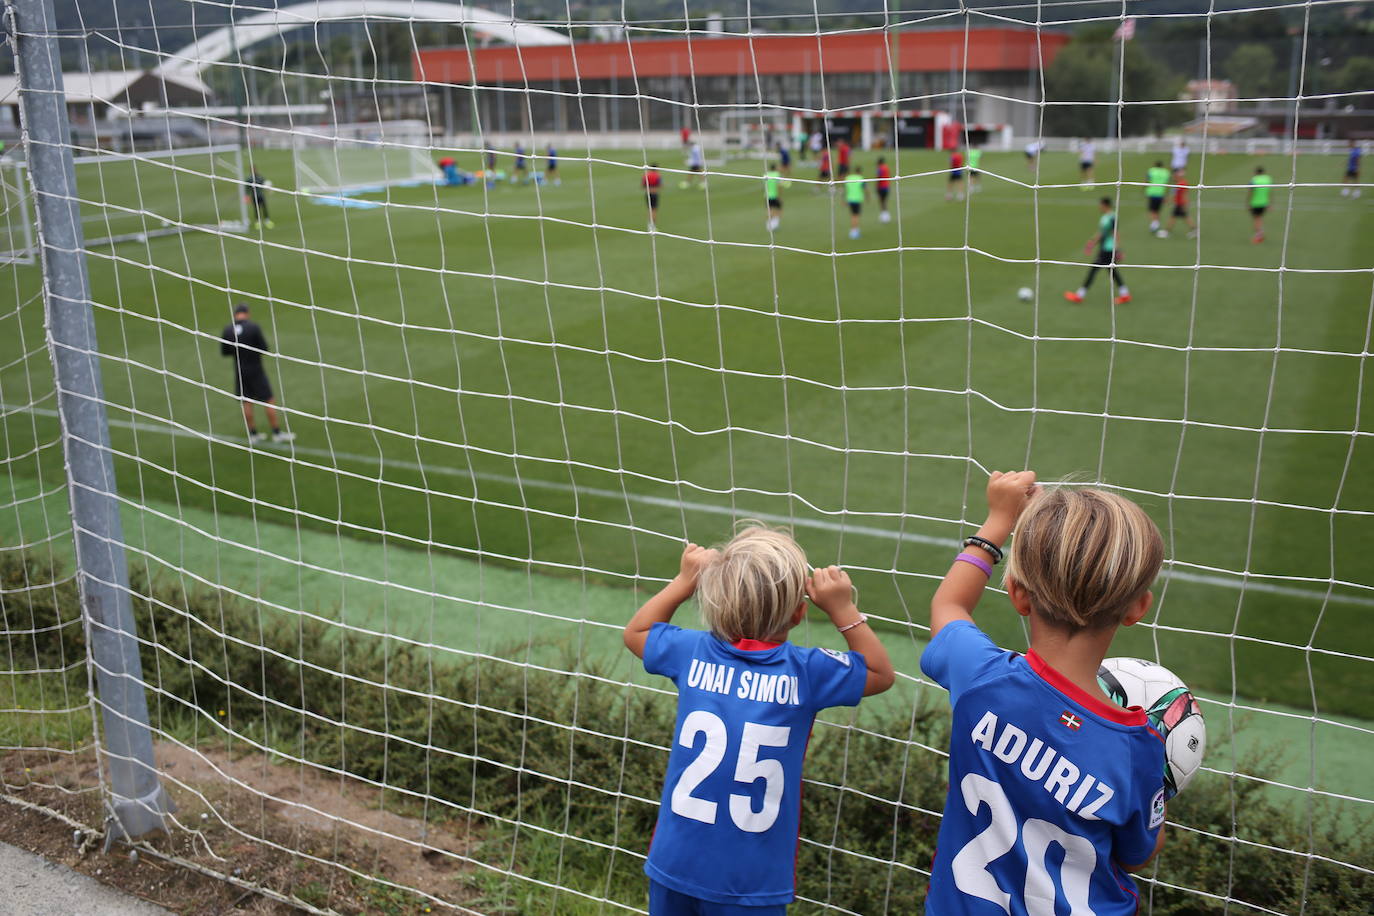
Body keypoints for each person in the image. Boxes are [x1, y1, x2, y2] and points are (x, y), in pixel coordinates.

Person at [921, 472, 1169, 915]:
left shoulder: (980, 677)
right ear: (1138, 608)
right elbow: (1137, 855)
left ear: (1018, 594)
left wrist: (998, 520)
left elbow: (948, 606)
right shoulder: (1138, 748)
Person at [623, 527, 894, 913]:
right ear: (800, 612)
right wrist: (842, 609)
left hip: (674, 862)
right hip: (750, 879)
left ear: (713, 597)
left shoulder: (691, 651)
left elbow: (638, 631)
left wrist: (684, 581)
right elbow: (880, 674)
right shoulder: (807, 672)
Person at [220, 304, 292, 444]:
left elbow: (224, 352)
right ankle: (276, 433)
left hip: (240, 371)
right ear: (247, 313)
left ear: (235, 314)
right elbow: (264, 348)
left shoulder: (228, 329)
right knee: (269, 399)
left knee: (246, 401)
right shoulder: (253, 327)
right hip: (256, 369)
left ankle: (253, 434)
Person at [1065, 197, 1131, 305]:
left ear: (1105, 205)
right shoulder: (1105, 217)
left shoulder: (1112, 217)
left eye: (1100, 205)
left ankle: (1079, 295)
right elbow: (1102, 233)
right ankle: (1125, 294)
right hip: (1104, 248)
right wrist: (1092, 243)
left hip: (1108, 249)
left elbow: (1116, 234)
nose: (1099, 207)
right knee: (1112, 271)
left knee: (1094, 270)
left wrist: (1118, 250)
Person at [1161, 168, 1195, 238]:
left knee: (1175, 217)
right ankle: (1194, 230)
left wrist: (1185, 204)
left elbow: (1183, 195)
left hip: (1180, 204)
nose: (1173, 177)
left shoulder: (1181, 184)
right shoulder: (1180, 183)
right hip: (1179, 204)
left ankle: (1167, 231)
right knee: (1182, 217)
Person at [1145, 161, 1169, 233]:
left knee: (1152, 210)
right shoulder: (1166, 172)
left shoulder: (1151, 171)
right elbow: (1167, 182)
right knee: (1157, 210)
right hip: (1161, 193)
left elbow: (1147, 180)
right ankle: (1156, 222)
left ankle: (1155, 223)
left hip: (1151, 192)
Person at [1249, 165, 1272, 243]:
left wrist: (1248, 202)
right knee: (1259, 218)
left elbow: (1250, 192)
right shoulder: (1268, 179)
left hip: (1255, 203)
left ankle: (1259, 236)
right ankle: (1260, 234)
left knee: (1257, 219)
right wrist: (1269, 203)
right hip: (1264, 202)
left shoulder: (1254, 180)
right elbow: (1269, 192)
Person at [844, 165, 866, 239]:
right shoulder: (861, 178)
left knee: (853, 215)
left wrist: (844, 200)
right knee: (855, 215)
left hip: (850, 199)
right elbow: (864, 188)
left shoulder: (849, 178)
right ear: (860, 172)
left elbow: (846, 189)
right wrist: (868, 196)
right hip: (857, 199)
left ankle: (855, 230)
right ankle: (854, 231)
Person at [764, 162, 783, 232]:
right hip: (775, 195)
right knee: (778, 210)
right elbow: (779, 186)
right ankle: (775, 225)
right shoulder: (777, 175)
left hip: (767, 196)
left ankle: (769, 225)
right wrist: (780, 196)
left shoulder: (766, 175)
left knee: (770, 210)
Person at [643, 163, 662, 230]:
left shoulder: (646, 175)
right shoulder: (657, 175)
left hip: (648, 193)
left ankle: (649, 224)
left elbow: (643, 185)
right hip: (655, 193)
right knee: (654, 210)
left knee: (649, 209)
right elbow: (660, 185)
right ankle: (652, 225)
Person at [876, 157, 892, 223]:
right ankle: (885, 215)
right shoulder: (886, 167)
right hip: (887, 186)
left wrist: (877, 187)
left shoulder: (879, 168)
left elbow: (878, 177)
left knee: (882, 201)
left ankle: (884, 215)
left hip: (881, 187)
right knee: (884, 201)